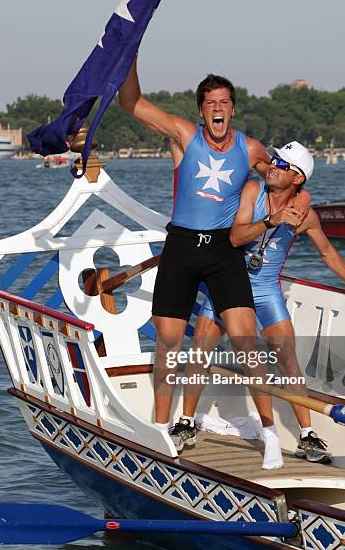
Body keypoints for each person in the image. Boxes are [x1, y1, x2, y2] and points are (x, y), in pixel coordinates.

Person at [119, 60, 310, 455]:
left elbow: (286, 178)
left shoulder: (251, 148)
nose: (217, 108)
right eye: (210, 103)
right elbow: (132, 102)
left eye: (224, 102)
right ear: (202, 111)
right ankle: (161, 427)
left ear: (232, 109)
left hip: (224, 251)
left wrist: (300, 202)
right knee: (169, 343)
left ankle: (271, 435)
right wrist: (130, 55)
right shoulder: (184, 136)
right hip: (182, 248)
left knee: (247, 341)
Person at [172, 141, 345, 469]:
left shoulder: (306, 215)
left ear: (298, 178)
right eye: (274, 159)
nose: (273, 165)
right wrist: (273, 219)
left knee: (287, 358)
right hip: (227, 284)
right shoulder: (253, 192)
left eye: (282, 164)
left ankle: (307, 434)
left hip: (265, 290)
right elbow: (236, 237)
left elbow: (327, 253)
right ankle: (186, 422)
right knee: (202, 348)